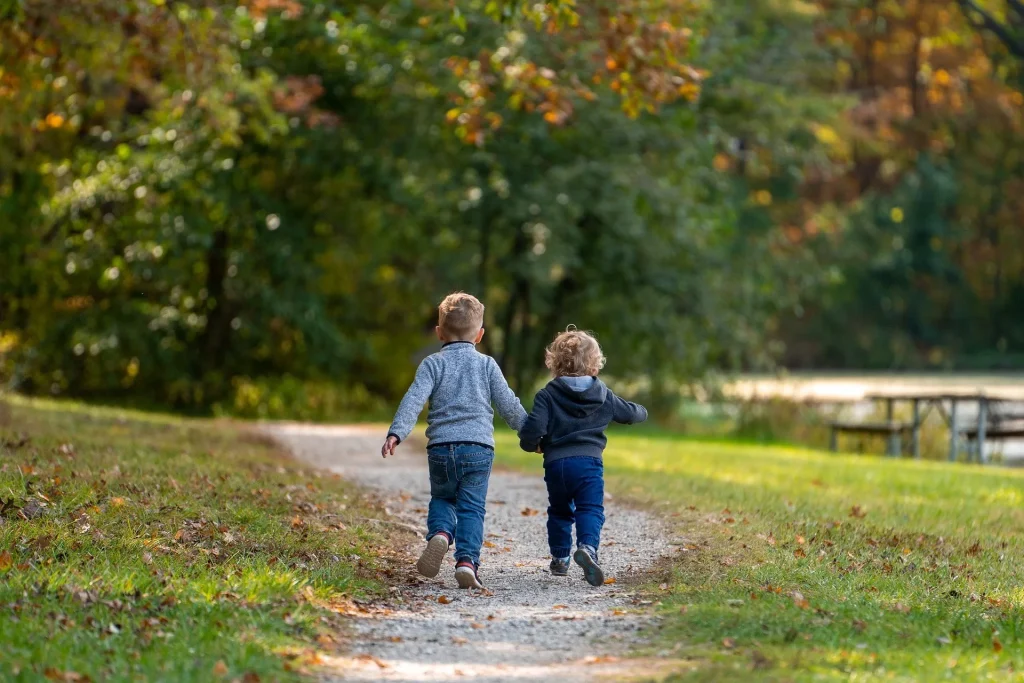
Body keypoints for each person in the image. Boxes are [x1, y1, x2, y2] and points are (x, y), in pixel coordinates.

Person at [381, 292, 527, 589]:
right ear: (480, 335)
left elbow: (413, 400)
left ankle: (441, 534)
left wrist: (397, 432)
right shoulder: (487, 365)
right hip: (478, 448)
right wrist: (531, 433)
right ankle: (466, 562)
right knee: (471, 508)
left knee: (443, 497)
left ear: (439, 332)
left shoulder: (432, 364)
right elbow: (508, 404)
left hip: (440, 449)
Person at [518, 328, 647, 586]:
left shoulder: (547, 395)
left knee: (559, 510)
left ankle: (560, 558)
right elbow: (631, 414)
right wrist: (642, 411)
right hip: (589, 465)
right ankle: (587, 548)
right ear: (594, 366)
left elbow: (533, 429)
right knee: (590, 508)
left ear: (555, 364)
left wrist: (533, 445)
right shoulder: (603, 395)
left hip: (556, 466)